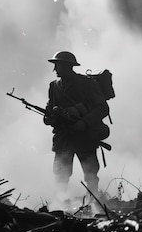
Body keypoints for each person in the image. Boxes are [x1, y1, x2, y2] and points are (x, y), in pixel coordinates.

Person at [43, 51, 109, 196]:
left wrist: (84, 122)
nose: (55, 70)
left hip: (83, 135)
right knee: (61, 174)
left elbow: (102, 108)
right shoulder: (54, 86)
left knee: (90, 173)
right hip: (63, 137)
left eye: (58, 65)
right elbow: (49, 110)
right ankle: (60, 204)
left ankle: (95, 202)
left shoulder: (87, 84)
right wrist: (50, 117)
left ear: (67, 66)